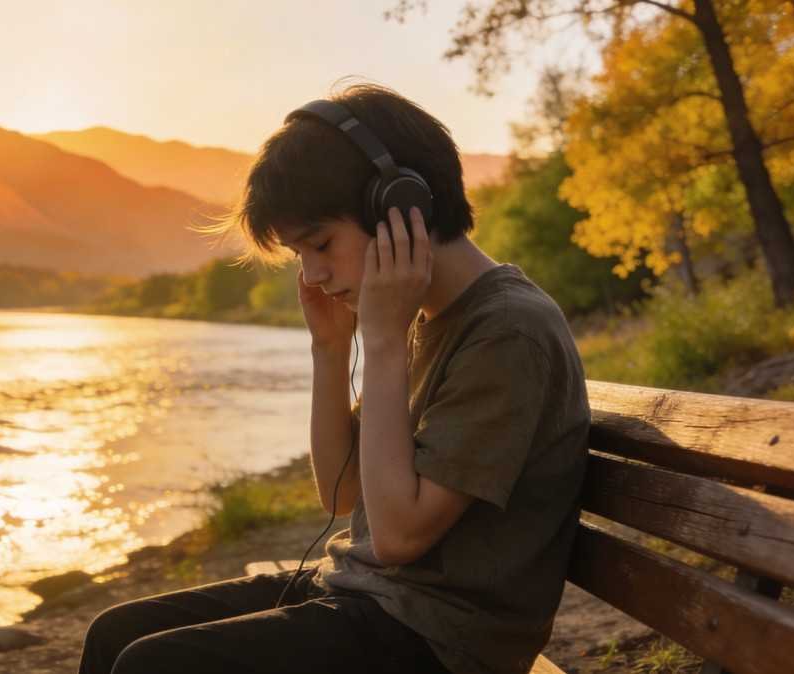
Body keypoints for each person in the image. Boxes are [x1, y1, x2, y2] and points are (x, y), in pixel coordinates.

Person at [77, 82, 590, 674]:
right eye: (301, 255)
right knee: (115, 631)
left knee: (155, 665)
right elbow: (342, 492)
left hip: (441, 638)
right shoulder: (425, 320)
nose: (313, 273)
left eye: (320, 244)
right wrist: (330, 348)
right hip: (372, 600)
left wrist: (381, 341)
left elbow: (398, 538)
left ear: (403, 210)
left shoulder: (506, 331)